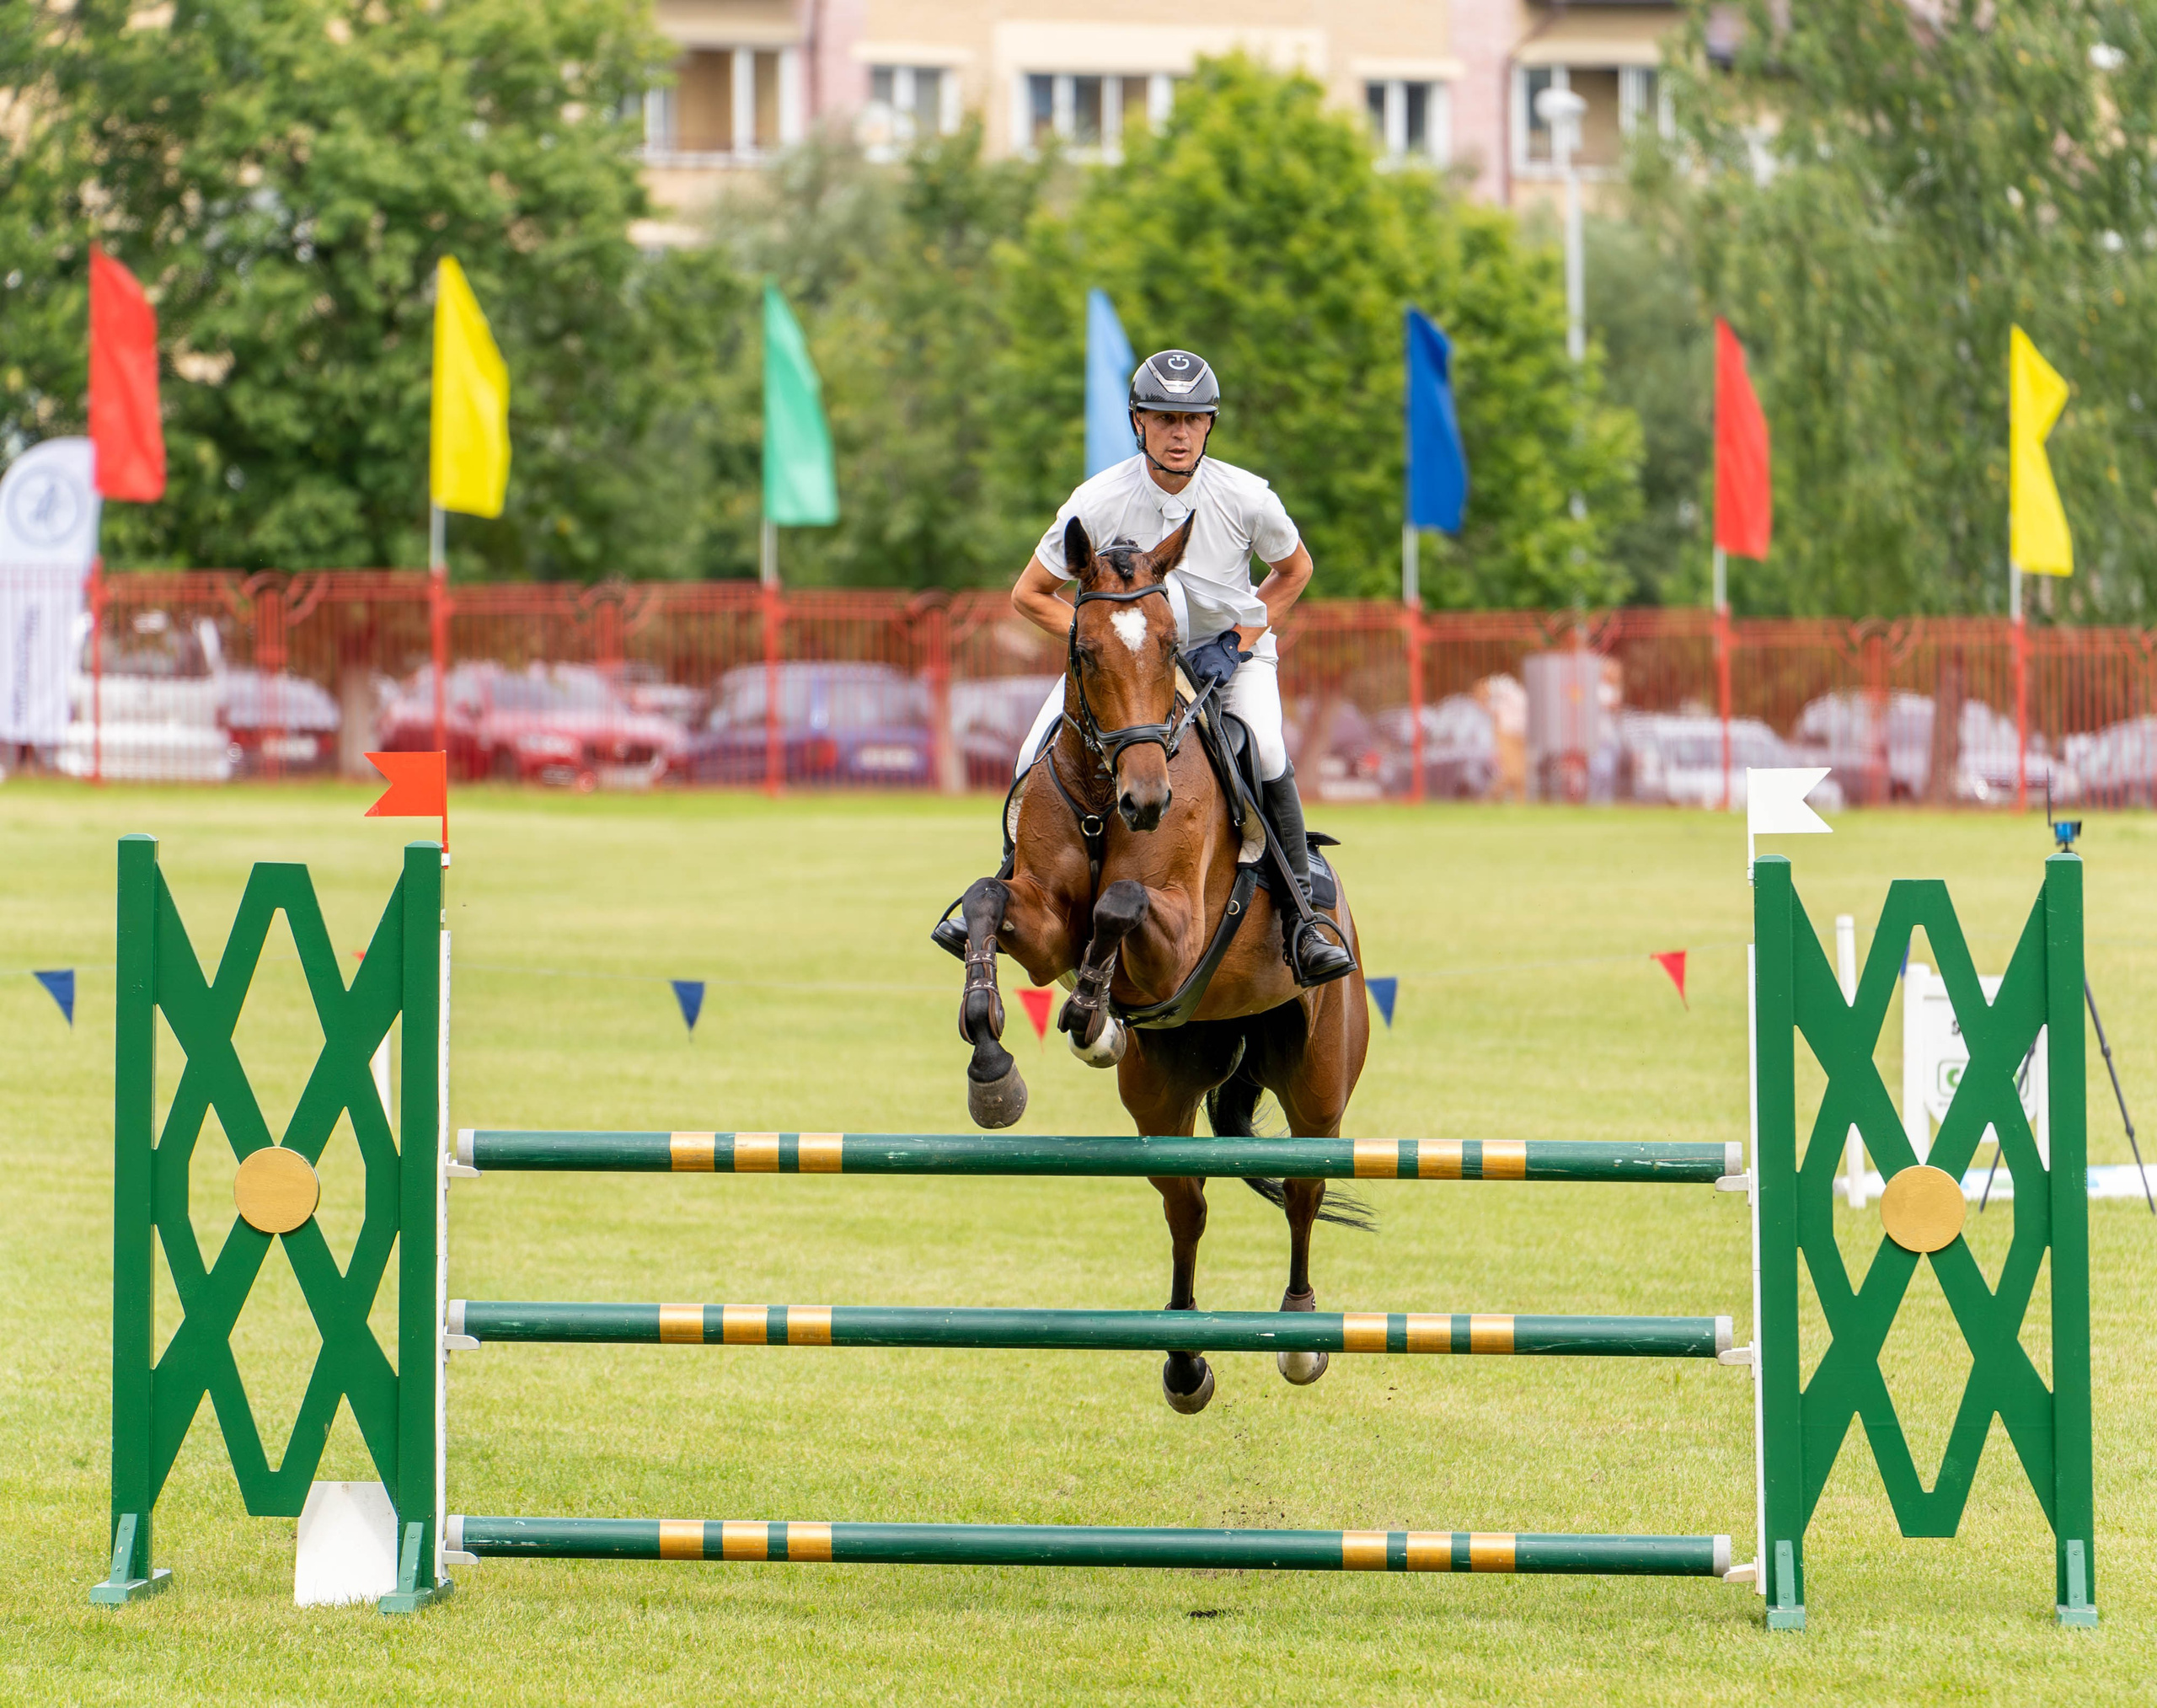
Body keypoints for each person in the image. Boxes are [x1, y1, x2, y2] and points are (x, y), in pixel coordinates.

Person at [1006, 349, 1356, 988]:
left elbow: (1295, 569)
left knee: (1268, 748)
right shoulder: (1098, 497)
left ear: (1209, 427)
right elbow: (1029, 594)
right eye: (1165, 418)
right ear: (1138, 422)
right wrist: (1105, 645)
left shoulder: (1247, 496)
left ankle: (1305, 916)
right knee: (1033, 748)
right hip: (1130, 665)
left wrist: (1241, 637)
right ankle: (1015, 871)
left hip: (1229, 656)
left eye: (1194, 420)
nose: (1180, 433)